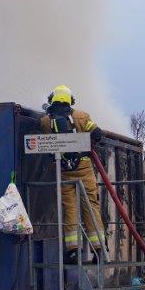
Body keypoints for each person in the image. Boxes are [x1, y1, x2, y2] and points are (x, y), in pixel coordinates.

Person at [39, 85, 104, 263]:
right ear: (70, 100)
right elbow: (98, 134)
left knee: (70, 209)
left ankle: (73, 250)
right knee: (91, 206)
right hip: (83, 168)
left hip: (64, 171)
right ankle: (99, 250)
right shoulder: (82, 116)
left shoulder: (46, 121)